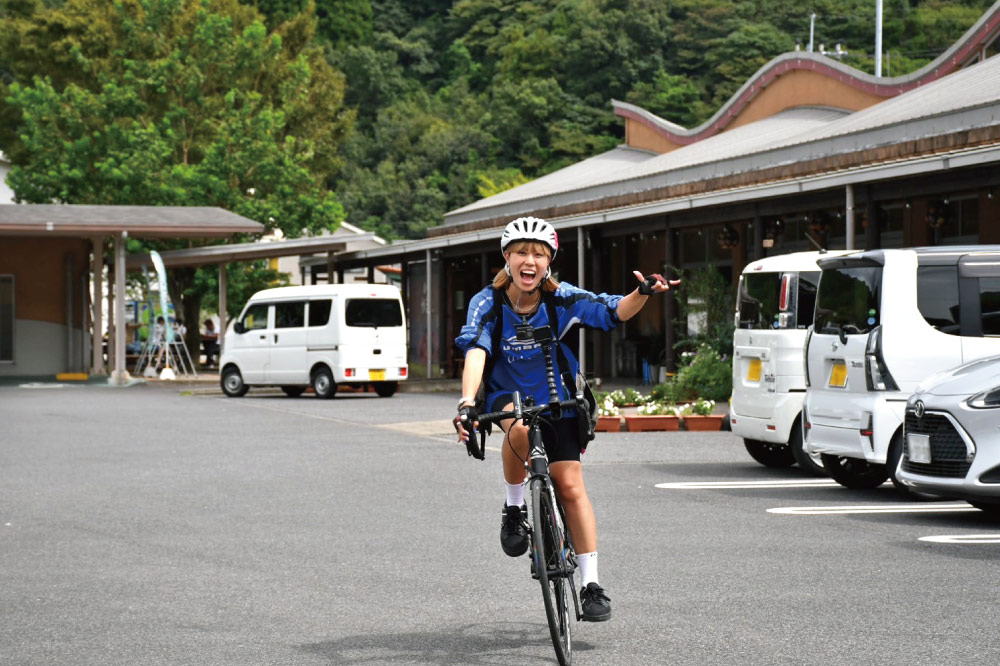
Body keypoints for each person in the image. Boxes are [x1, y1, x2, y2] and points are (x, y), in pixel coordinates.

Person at [453, 216, 677, 623]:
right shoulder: (487, 302)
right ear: (507, 257)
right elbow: (475, 351)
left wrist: (642, 293)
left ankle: (591, 584)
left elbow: (612, 310)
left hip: (559, 398)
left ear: (549, 262)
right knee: (518, 427)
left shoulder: (561, 298)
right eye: (521, 252)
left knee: (571, 485)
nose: (529, 261)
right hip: (508, 396)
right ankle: (515, 508)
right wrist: (467, 401)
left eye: (538, 254)